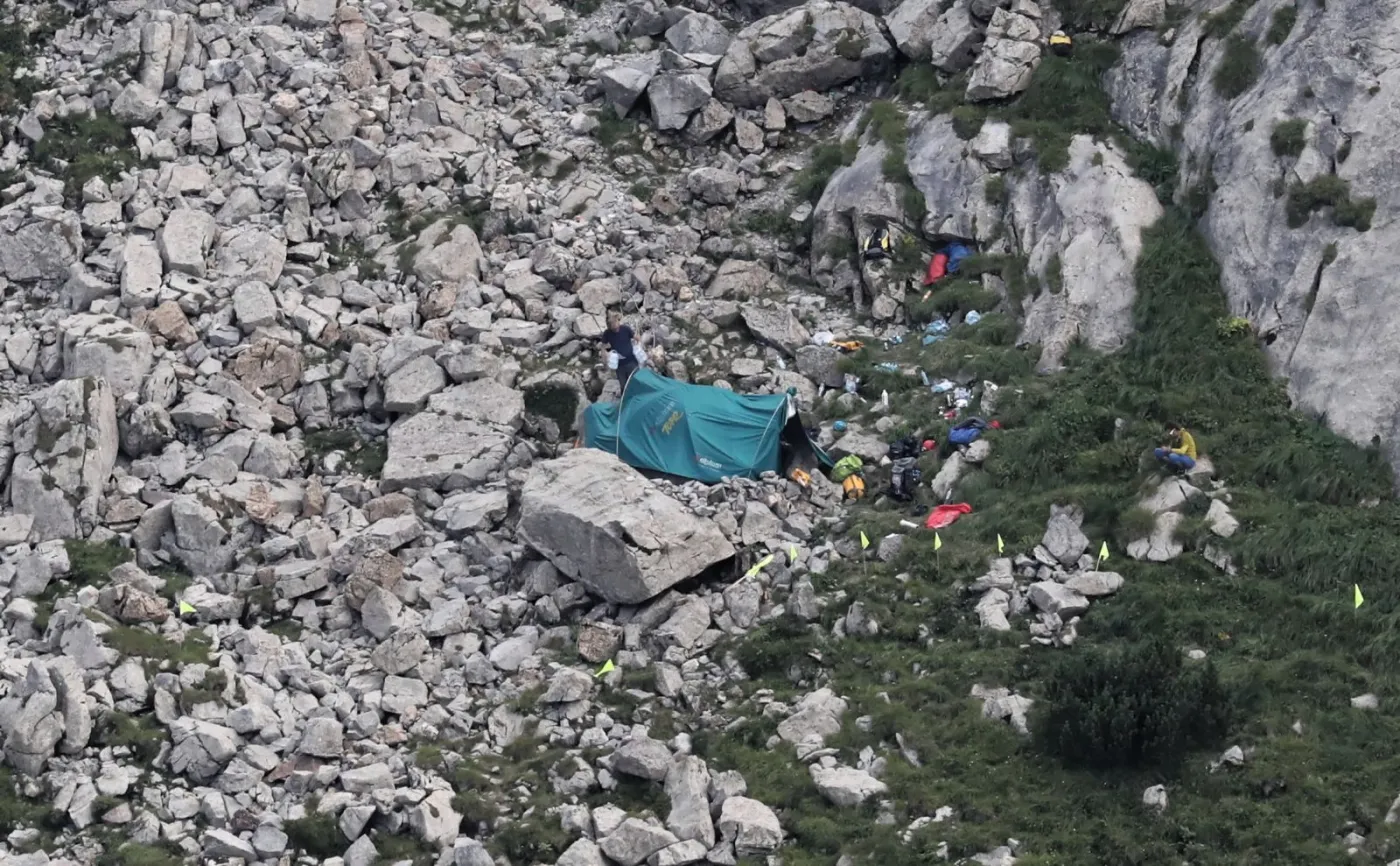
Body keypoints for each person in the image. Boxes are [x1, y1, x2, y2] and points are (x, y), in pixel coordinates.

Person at [600, 312, 640, 390]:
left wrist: (638, 349)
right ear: (609, 326)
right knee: (623, 386)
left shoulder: (625, 329)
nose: (616, 328)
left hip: (632, 362)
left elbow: (637, 338)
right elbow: (603, 347)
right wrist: (605, 359)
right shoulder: (607, 333)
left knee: (636, 382)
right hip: (619, 365)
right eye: (613, 328)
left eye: (616, 324)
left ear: (618, 321)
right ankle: (625, 399)